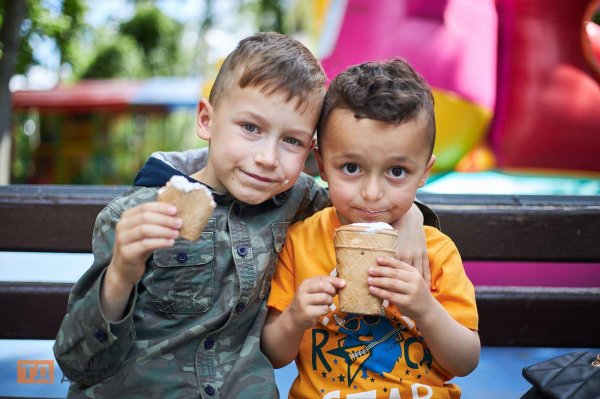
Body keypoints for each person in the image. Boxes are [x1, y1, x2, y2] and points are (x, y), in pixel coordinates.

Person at [53, 33, 438, 398]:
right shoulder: (136, 216)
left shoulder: (299, 198)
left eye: (291, 141)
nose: (268, 158)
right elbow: (77, 362)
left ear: (311, 152)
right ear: (206, 120)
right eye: (251, 128)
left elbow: (369, 200)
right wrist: (121, 273)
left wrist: (410, 221)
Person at [261, 58, 480, 398]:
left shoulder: (434, 252)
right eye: (351, 167)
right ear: (321, 164)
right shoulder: (300, 242)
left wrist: (425, 308)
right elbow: (275, 355)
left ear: (424, 172)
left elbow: (465, 361)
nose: (372, 193)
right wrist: (294, 317)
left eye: (396, 172)